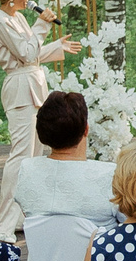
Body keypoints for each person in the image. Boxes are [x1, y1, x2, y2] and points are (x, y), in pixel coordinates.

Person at [0, 0, 81, 237]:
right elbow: (27, 53)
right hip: (20, 90)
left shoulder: (17, 18)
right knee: (20, 157)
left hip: (34, 86)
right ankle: (3, 225)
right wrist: (42, 25)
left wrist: (56, 47)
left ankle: (20, 217)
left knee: (34, 155)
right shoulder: (1, 21)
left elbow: (32, 53)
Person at [10, 92, 118, 222]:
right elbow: (130, 220)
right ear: (86, 129)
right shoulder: (110, 174)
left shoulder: (27, 169)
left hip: (43, 236)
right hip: (100, 235)